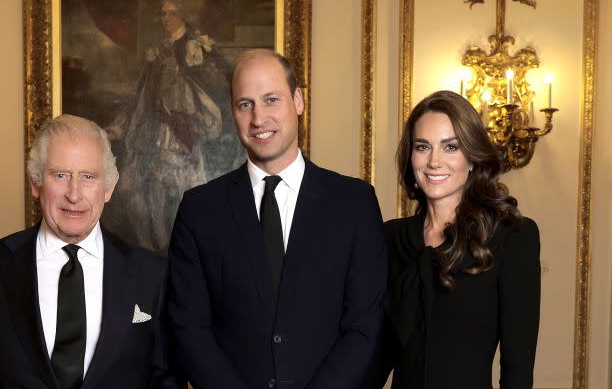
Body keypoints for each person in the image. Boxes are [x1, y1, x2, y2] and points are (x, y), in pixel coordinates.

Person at [167, 49, 387, 388]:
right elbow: (188, 330)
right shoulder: (200, 210)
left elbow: (365, 326)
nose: (258, 118)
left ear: (298, 100)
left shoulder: (354, 203)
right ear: (233, 112)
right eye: (245, 104)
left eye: (271, 99)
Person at [0, 114, 181, 389]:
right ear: (35, 182)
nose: (74, 194)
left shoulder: (151, 274)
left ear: (109, 188)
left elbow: (165, 379)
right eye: (60, 175)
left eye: (88, 177)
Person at [376, 90, 540, 389]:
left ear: (472, 157)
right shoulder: (390, 237)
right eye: (422, 147)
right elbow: (376, 352)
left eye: (450, 147)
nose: (434, 161)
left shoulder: (513, 235)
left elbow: (518, 368)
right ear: (411, 157)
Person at [109, 0, 240, 251]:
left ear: (183, 16)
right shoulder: (156, 52)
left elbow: (218, 87)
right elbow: (142, 93)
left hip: (185, 127)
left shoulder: (197, 46)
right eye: (163, 13)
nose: (166, 18)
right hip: (155, 127)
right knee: (149, 187)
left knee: (183, 190)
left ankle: (185, 245)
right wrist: (124, 123)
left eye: (172, 13)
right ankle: (155, 248)